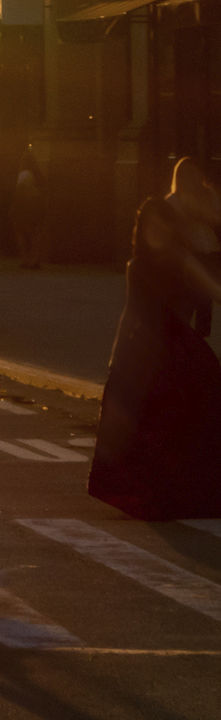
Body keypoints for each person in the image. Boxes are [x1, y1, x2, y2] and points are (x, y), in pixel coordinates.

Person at [91, 162, 221, 520]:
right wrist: (116, 357)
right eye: (151, 224)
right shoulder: (135, 266)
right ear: (141, 229)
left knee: (186, 416)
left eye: (164, 224)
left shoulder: (180, 257)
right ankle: (145, 494)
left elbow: (213, 290)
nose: (158, 230)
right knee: (136, 419)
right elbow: (130, 313)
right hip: (142, 347)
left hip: (178, 347)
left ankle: (183, 492)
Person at [12, 151, 46, 269]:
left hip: (24, 205)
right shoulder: (39, 175)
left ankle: (25, 259)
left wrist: (14, 207)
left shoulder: (23, 175)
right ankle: (36, 259)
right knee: (36, 232)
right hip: (37, 204)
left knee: (20, 231)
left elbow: (19, 192)